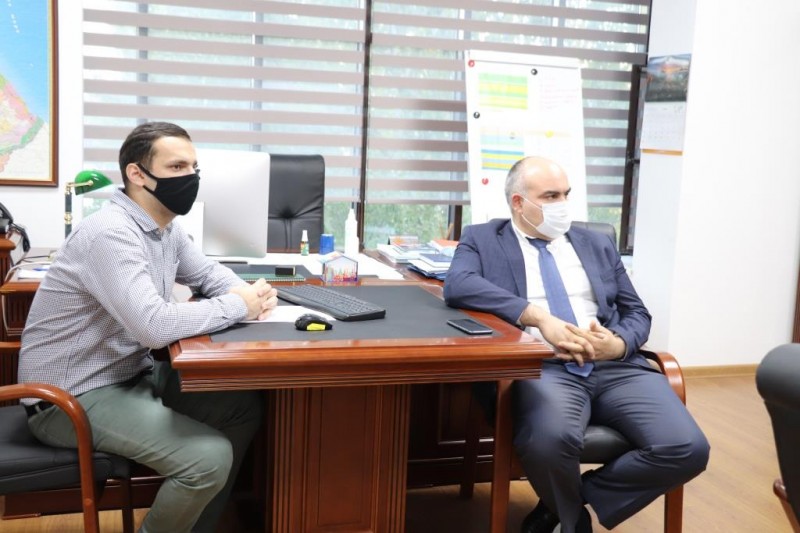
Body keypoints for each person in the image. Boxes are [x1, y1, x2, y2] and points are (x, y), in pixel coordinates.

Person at [18, 122, 277, 533]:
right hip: (70, 395)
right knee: (207, 458)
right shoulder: (110, 233)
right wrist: (237, 305)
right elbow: (153, 327)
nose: (190, 177)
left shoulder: (164, 228)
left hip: (127, 377)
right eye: (177, 167)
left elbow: (208, 274)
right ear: (137, 174)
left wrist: (247, 294)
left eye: (193, 167)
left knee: (240, 407)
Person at [443, 156, 709, 533]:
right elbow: (458, 285)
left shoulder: (596, 243)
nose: (563, 204)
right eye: (550, 196)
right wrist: (538, 318)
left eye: (566, 194)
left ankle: (567, 503)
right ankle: (573, 523)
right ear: (518, 202)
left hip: (616, 368)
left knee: (688, 447)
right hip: (545, 367)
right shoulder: (483, 238)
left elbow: (637, 312)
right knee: (549, 441)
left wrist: (618, 344)